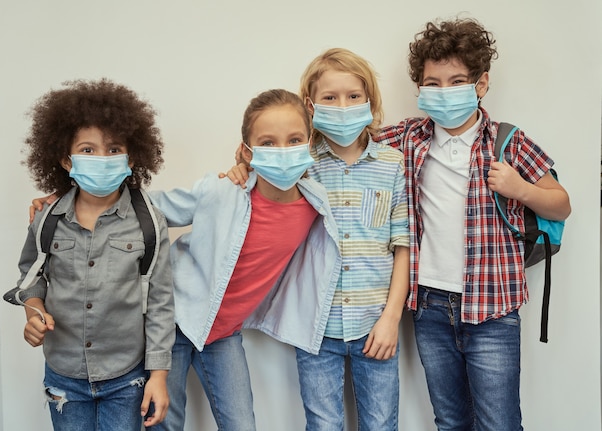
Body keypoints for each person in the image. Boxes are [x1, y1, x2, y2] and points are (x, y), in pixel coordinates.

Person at [374, 18, 571, 431]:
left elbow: (561, 205)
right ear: (420, 88)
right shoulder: (409, 138)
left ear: (481, 84)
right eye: (432, 83)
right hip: (428, 307)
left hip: (494, 310)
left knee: (499, 423)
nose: (444, 92)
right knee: (450, 421)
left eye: (457, 80)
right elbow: (353, 146)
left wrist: (521, 188)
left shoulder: (508, 141)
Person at [226, 48, 410, 431]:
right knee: (323, 424)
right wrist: (242, 168)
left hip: (374, 322)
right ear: (311, 106)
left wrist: (392, 318)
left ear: (370, 100)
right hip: (315, 327)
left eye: (353, 96)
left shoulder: (392, 164)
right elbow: (260, 184)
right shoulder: (298, 164)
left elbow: (402, 246)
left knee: (381, 424)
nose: (342, 106)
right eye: (330, 97)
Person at [147, 88, 341, 430]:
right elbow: (152, 209)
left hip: (223, 334)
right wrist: (72, 199)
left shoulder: (316, 204)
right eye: (267, 143)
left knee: (241, 423)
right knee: (162, 421)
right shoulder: (223, 190)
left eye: (294, 139)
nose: (282, 152)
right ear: (246, 152)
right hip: (172, 323)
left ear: (310, 143)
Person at [9, 78, 175, 430]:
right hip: (64, 375)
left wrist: (158, 376)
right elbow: (31, 274)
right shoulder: (47, 219)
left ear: (132, 156)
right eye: (88, 149)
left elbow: (160, 302)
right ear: (66, 160)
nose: (102, 159)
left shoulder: (149, 222)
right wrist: (33, 311)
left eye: (114, 149)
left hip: (126, 378)